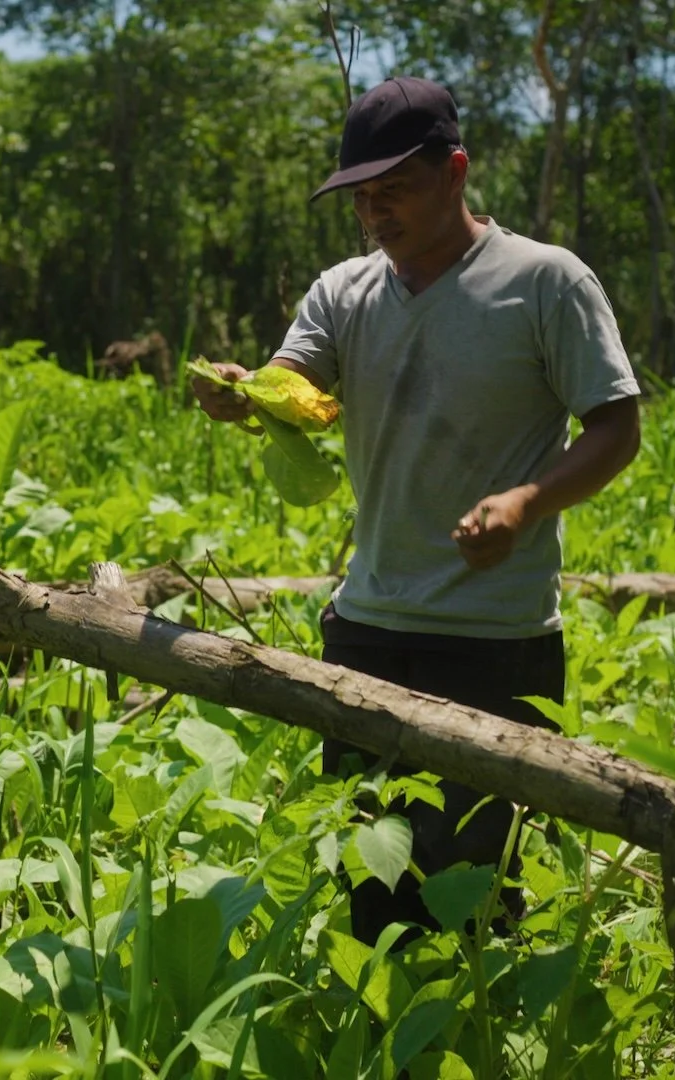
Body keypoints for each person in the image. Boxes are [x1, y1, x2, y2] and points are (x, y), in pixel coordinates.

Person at [192, 77, 641, 944]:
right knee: (373, 892)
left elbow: (617, 428)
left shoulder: (545, 282)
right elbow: (297, 382)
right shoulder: (344, 291)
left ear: (457, 172)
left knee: (477, 902)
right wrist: (246, 394)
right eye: (362, 197)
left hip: (495, 643)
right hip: (365, 632)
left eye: (393, 189)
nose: (375, 213)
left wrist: (526, 499)